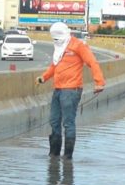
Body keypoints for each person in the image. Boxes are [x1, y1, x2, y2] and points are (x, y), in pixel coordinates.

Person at [35, 22, 106, 160]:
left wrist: (99, 82)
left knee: (68, 122)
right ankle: (54, 155)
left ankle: (67, 157)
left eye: (57, 37)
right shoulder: (59, 48)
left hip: (71, 90)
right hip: (58, 89)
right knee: (54, 121)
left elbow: (92, 62)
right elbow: (54, 66)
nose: (56, 40)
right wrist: (43, 78)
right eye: (53, 38)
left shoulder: (78, 45)